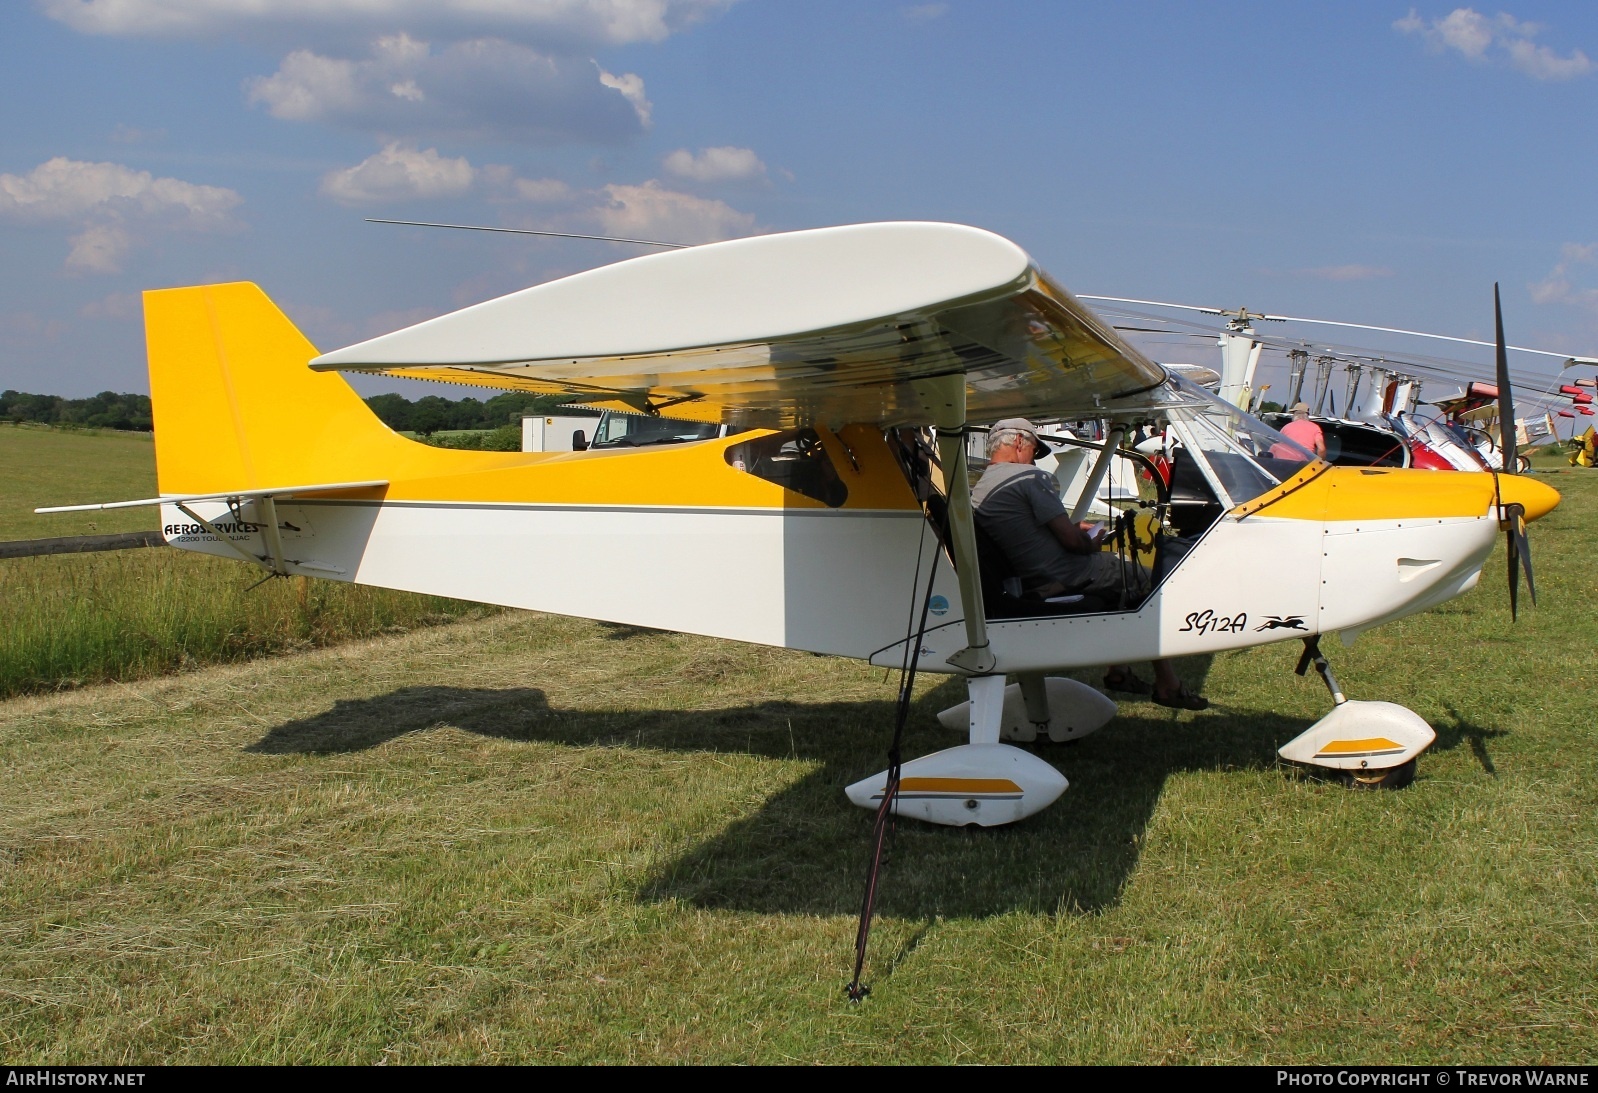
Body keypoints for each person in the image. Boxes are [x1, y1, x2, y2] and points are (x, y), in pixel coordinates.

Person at [972, 417, 1207, 711]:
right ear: (1019, 442)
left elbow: (1025, 530)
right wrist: (1090, 541)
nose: (1034, 460)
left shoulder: (981, 488)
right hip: (1067, 575)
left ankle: (1119, 671)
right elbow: (1073, 544)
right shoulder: (1028, 479)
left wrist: (1074, 528)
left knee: (1125, 584)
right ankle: (1167, 684)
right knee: (1151, 585)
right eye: (1034, 451)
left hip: (1030, 576)